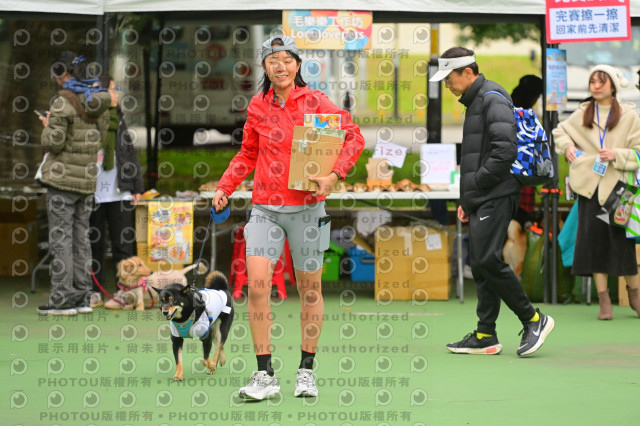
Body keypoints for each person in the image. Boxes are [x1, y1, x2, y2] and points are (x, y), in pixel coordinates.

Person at [212, 35, 364, 399]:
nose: (280, 66)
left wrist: (334, 175)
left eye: (287, 60)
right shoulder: (258, 105)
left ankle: (306, 371)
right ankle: (264, 374)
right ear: (264, 67)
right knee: (257, 287)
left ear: (297, 65)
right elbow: (248, 153)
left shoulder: (315, 101)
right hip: (265, 209)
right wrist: (225, 187)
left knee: (310, 290)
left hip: (307, 210)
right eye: (272, 61)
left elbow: (353, 136)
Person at [430, 47, 554, 356]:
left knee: (486, 260)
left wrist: (476, 185)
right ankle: (486, 333)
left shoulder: (492, 98)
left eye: (449, 78)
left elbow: (504, 151)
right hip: (484, 195)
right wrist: (468, 198)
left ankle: (533, 319)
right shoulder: (477, 100)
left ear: (467, 72)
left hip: (496, 193)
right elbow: (480, 153)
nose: (447, 84)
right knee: (482, 264)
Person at [554, 64, 640, 320]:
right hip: (589, 189)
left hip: (620, 191)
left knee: (623, 246)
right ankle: (604, 301)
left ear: (613, 87)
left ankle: (635, 296)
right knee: (594, 245)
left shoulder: (629, 116)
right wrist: (568, 148)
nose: (596, 86)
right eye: (593, 81)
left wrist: (617, 155)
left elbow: (638, 152)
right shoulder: (582, 113)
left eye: (602, 82)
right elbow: (559, 131)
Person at [36, 51, 112, 316]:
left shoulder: (61, 102)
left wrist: (47, 125)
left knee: (61, 241)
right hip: (87, 182)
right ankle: (82, 297)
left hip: (62, 182)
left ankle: (61, 300)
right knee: (81, 240)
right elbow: (100, 141)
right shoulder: (101, 102)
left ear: (63, 73)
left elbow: (53, 143)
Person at [89, 74, 144, 309]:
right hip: (93, 191)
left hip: (119, 190)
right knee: (94, 243)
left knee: (123, 243)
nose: (115, 94)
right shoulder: (86, 118)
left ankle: (125, 290)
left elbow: (129, 152)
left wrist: (137, 186)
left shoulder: (119, 119)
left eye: (115, 90)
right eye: (110, 90)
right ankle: (95, 290)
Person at [511, 75, 544, 228]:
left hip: (512, 180)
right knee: (518, 224)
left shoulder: (508, 107)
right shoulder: (524, 115)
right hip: (520, 180)